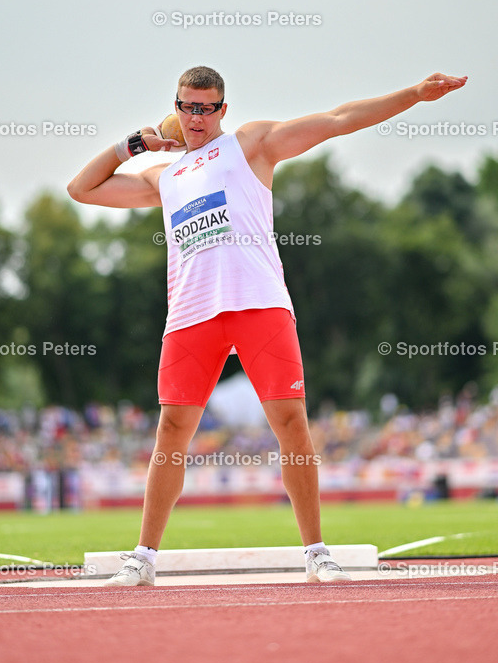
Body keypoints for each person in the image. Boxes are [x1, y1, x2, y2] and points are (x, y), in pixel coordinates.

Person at [67, 65, 468, 586]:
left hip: (258, 301)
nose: (196, 117)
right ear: (176, 107)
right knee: (171, 430)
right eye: (188, 106)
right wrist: (132, 145)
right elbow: (82, 189)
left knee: (290, 422)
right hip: (191, 313)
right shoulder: (163, 177)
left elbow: (337, 120)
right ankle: (142, 558)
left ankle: (317, 552)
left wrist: (413, 95)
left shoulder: (250, 144)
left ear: (222, 110)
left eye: (207, 107)